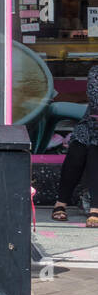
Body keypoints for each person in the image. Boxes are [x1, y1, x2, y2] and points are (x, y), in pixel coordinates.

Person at [52, 64, 98, 228]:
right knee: (78, 149)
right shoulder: (95, 71)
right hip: (91, 124)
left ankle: (95, 207)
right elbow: (95, 100)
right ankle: (61, 202)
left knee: (94, 151)